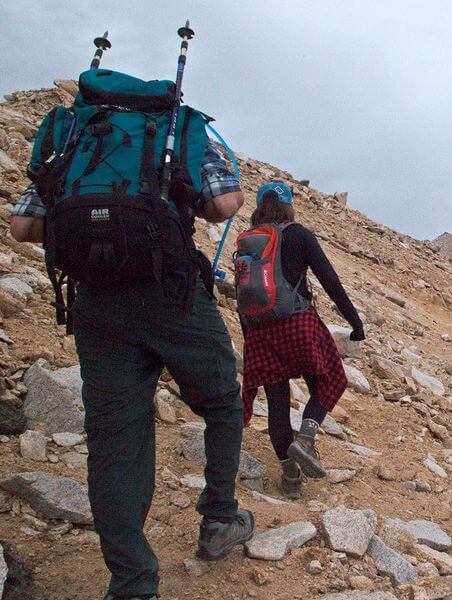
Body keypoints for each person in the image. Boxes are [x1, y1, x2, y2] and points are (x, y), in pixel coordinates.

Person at [10, 141, 253, 600]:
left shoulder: (74, 137)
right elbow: (221, 204)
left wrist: (99, 234)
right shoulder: (179, 131)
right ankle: (219, 518)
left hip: (97, 304)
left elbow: (23, 226)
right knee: (222, 402)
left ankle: (132, 584)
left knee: (114, 440)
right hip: (174, 295)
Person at [238, 181, 365, 500]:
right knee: (331, 379)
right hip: (298, 323)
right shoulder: (299, 234)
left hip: (260, 331)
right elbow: (329, 280)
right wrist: (354, 322)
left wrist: (251, 339)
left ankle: (290, 477)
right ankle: (306, 438)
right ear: (288, 205)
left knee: (277, 401)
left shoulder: (248, 243)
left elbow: (244, 296)